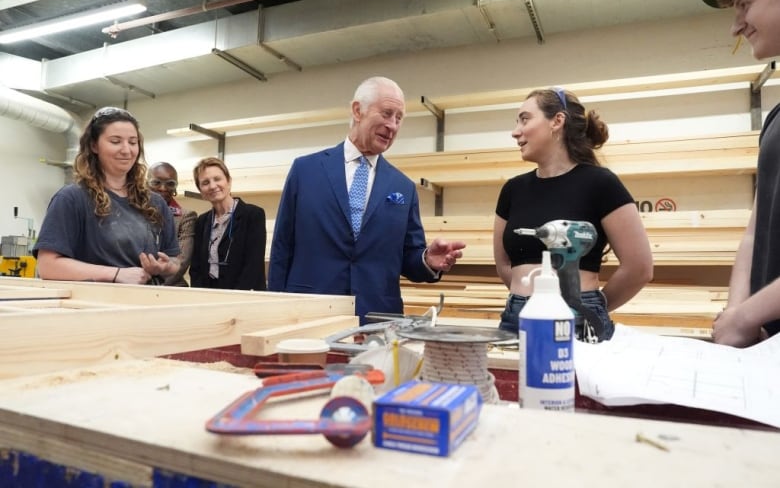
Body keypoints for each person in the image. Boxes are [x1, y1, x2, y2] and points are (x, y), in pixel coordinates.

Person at [268, 76, 466, 323]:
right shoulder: (305, 171)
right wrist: (274, 309)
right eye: (386, 113)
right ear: (357, 110)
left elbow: (408, 255)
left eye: (399, 118)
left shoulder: (403, 187)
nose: (392, 125)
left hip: (377, 319)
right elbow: (282, 247)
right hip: (310, 314)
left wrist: (427, 260)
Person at [493, 87, 653, 342]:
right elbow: (504, 264)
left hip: (577, 316)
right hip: (516, 315)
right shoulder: (513, 189)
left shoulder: (600, 183)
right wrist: (530, 298)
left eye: (525, 119)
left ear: (557, 121)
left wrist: (589, 306)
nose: (515, 132)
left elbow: (639, 267)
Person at [700, 0, 780, 347]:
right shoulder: (776, 119)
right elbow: (755, 231)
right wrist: (737, 315)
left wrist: (747, 315)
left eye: (745, 4)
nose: (736, 27)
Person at [33, 107, 180, 284]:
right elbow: (48, 266)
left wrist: (165, 267)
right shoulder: (72, 199)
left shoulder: (155, 203)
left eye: (133, 142)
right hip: (96, 307)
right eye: (115, 141)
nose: (126, 150)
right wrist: (116, 274)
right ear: (94, 145)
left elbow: (174, 261)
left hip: (146, 306)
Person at [189, 157, 267, 290]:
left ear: (229, 181)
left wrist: (233, 299)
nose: (213, 186)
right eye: (205, 182)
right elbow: (196, 267)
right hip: (209, 297)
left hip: (243, 297)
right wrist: (200, 295)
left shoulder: (253, 215)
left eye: (217, 179)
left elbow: (253, 265)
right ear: (201, 191)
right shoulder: (202, 221)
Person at [147, 162, 196, 286]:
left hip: (171, 287)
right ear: (146, 183)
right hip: (133, 284)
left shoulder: (186, 217)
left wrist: (152, 287)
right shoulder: (133, 212)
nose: (163, 188)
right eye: (156, 182)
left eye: (170, 183)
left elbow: (182, 261)